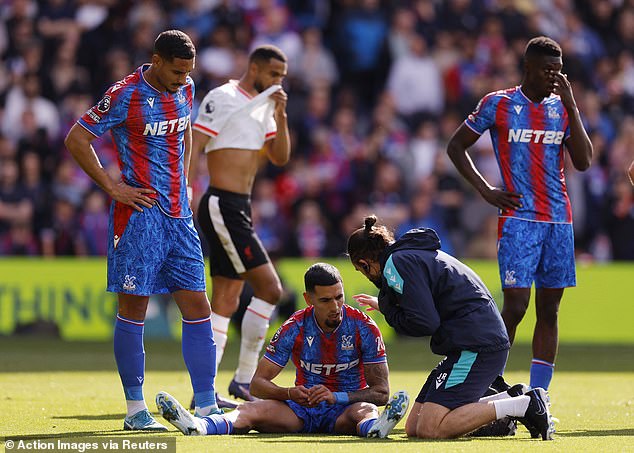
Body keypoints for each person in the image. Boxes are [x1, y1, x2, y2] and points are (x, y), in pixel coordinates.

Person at [64, 30, 218, 431]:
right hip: (139, 217)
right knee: (134, 309)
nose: (183, 79)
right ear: (157, 59)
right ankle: (135, 410)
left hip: (179, 216)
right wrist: (113, 186)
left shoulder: (186, 85)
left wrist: (185, 182)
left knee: (199, 307)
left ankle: (206, 406)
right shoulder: (125, 93)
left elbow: (184, 134)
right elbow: (78, 138)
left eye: (189, 72)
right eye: (177, 71)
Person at [446, 36, 593, 392]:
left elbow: (585, 162)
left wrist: (572, 107)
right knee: (516, 305)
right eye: (547, 71)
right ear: (527, 68)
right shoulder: (498, 103)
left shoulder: (562, 108)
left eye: (559, 72)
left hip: (558, 220)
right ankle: (487, 383)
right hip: (518, 219)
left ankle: (539, 395)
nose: (553, 78)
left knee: (550, 310)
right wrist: (486, 190)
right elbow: (456, 145)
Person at [347, 215, 554, 440]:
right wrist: (385, 305)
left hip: (476, 346)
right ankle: (512, 397)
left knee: (431, 428)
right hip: (469, 342)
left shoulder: (397, 263)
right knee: (414, 427)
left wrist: (388, 309)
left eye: (363, 272)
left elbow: (424, 322)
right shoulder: (408, 255)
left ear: (364, 264)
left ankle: (525, 405)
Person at [155, 263, 409, 438]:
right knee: (249, 409)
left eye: (339, 297)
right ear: (308, 299)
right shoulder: (294, 326)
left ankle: (375, 429)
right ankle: (200, 426)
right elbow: (257, 385)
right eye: (326, 300)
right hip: (301, 411)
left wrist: (336, 397)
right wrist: (290, 392)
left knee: (366, 411)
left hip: (344, 412)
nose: (336, 306)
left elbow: (381, 393)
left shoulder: (364, 327)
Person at [189, 44, 291, 404]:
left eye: (282, 76)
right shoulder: (224, 96)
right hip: (221, 203)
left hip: (239, 207)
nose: (278, 81)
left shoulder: (266, 107)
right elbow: (195, 141)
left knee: (227, 300)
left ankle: (207, 391)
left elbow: (279, 158)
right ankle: (244, 379)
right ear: (255, 68)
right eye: (274, 74)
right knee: (270, 289)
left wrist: (280, 115)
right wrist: (187, 187)